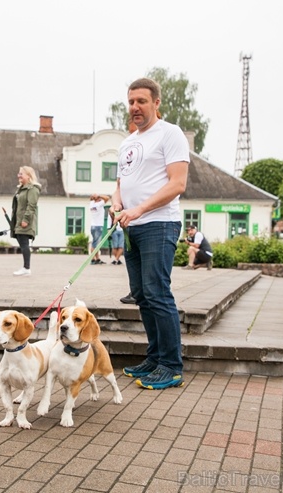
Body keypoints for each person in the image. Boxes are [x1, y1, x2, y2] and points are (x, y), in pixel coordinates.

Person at [110, 77, 190, 390]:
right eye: (131, 102)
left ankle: (171, 366)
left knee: (157, 293)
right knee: (143, 296)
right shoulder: (127, 142)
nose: (135, 108)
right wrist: (117, 202)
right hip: (132, 227)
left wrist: (139, 209)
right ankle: (154, 358)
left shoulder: (170, 134)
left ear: (156, 102)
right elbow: (121, 183)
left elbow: (177, 183)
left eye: (141, 101)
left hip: (160, 224)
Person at [11, 166, 41, 276]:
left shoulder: (32, 189)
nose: (19, 175)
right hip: (19, 220)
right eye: (19, 173)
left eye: (21, 174)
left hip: (25, 221)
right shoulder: (21, 189)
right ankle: (25, 267)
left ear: (28, 176)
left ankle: (26, 268)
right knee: (22, 242)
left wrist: (26, 219)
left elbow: (31, 206)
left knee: (24, 244)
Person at [89, 194, 110, 265]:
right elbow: (107, 198)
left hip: (93, 226)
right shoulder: (99, 204)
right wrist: (99, 195)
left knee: (96, 243)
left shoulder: (91, 204)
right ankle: (92, 259)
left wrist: (96, 196)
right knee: (95, 244)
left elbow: (92, 199)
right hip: (98, 226)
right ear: (98, 199)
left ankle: (97, 258)